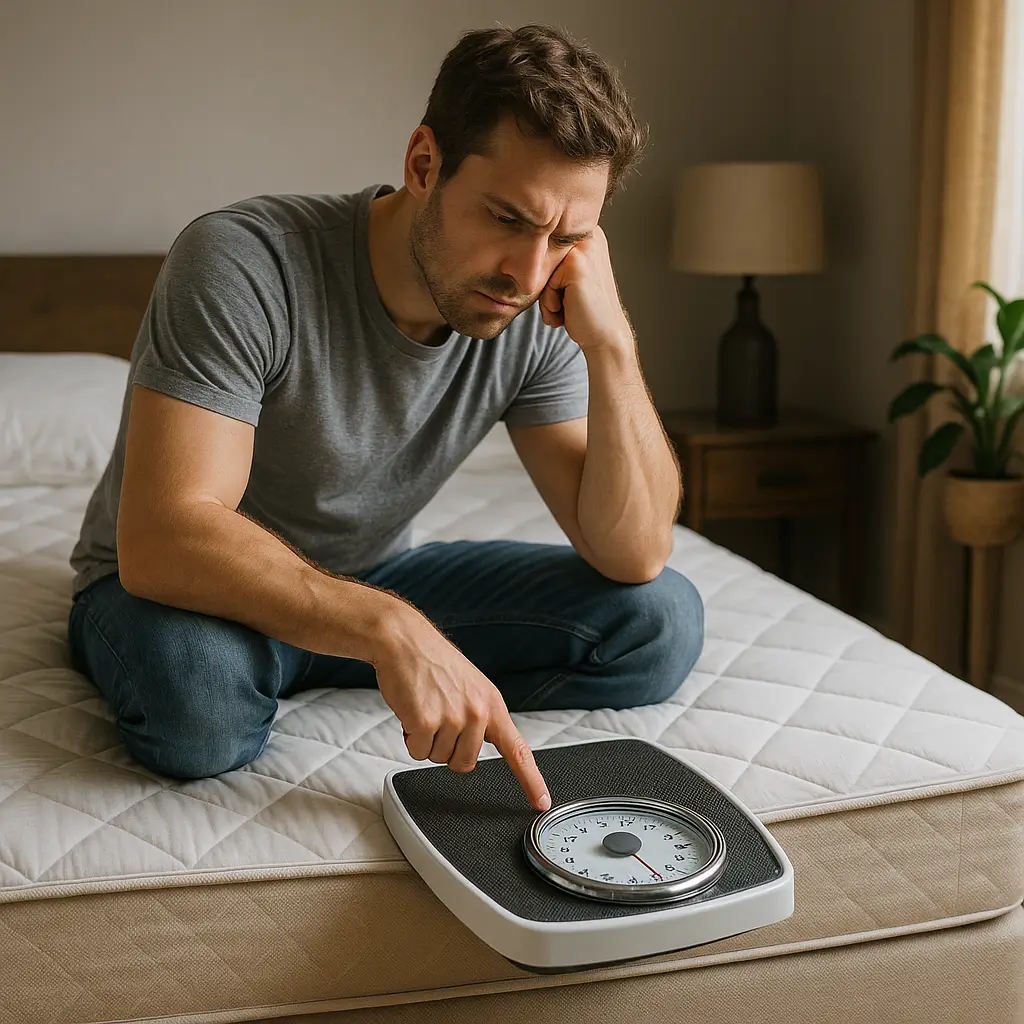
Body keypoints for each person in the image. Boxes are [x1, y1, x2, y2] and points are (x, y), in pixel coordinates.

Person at [67, 22, 704, 813]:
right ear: (423, 163)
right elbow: (166, 538)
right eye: (507, 218)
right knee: (198, 703)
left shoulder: (535, 304)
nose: (527, 272)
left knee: (660, 620)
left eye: (567, 237)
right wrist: (388, 630)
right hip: (184, 593)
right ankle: (330, 652)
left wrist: (612, 346)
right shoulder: (243, 261)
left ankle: (331, 651)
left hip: (368, 573)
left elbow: (633, 553)